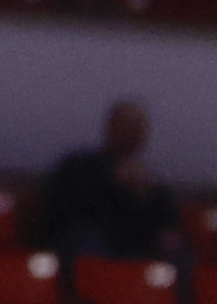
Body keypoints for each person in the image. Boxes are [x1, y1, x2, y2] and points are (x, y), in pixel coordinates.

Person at [37, 102, 178, 261]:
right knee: (90, 245)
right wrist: (113, 182)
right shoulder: (79, 164)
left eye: (140, 129)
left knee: (179, 253)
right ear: (111, 129)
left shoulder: (149, 177)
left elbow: (166, 219)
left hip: (133, 243)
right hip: (88, 238)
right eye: (129, 128)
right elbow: (64, 208)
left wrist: (144, 198)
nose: (135, 135)